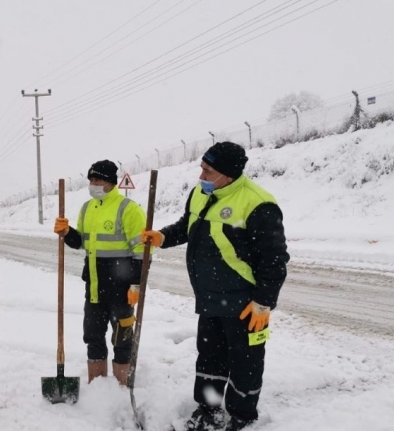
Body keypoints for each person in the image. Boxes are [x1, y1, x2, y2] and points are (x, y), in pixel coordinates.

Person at [142, 142, 289, 431]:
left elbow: (274, 260)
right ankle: (209, 409)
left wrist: (263, 302)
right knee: (210, 359)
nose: (201, 175)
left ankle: (242, 416)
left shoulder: (258, 204)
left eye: (208, 171)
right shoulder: (200, 193)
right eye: (202, 168)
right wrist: (162, 237)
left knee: (246, 363)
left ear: (228, 174)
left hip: (246, 303)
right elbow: (188, 226)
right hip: (210, 298)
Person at [53, 159, 148, 386]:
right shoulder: (87, 208)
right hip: (94, 287)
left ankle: (123, 384)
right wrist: (67, 232)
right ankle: (97, 385)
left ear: (111, 182)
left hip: (122, 289)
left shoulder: (128, 209)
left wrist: (136, 285)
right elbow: (82, 243)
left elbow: (142, 251)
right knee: (93, 337)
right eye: (91, 180)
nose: (93, 184)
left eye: (97, 179)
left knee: (123, 338)